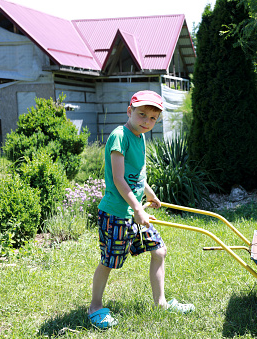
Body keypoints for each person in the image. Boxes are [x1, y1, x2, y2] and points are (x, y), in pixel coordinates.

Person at [87, 90, 195, 329]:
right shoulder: (119, 136)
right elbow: (118, 178)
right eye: (142, 115)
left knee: (159, 251)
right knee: (109, 261)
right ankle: (95, 306)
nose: (147, 121)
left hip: (135, 213)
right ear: (130, 111)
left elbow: (135, 175)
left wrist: (149, 193)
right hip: (116, 213)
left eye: (152, 118)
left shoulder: (140, 137)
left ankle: (161, 303)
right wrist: (138, 208)